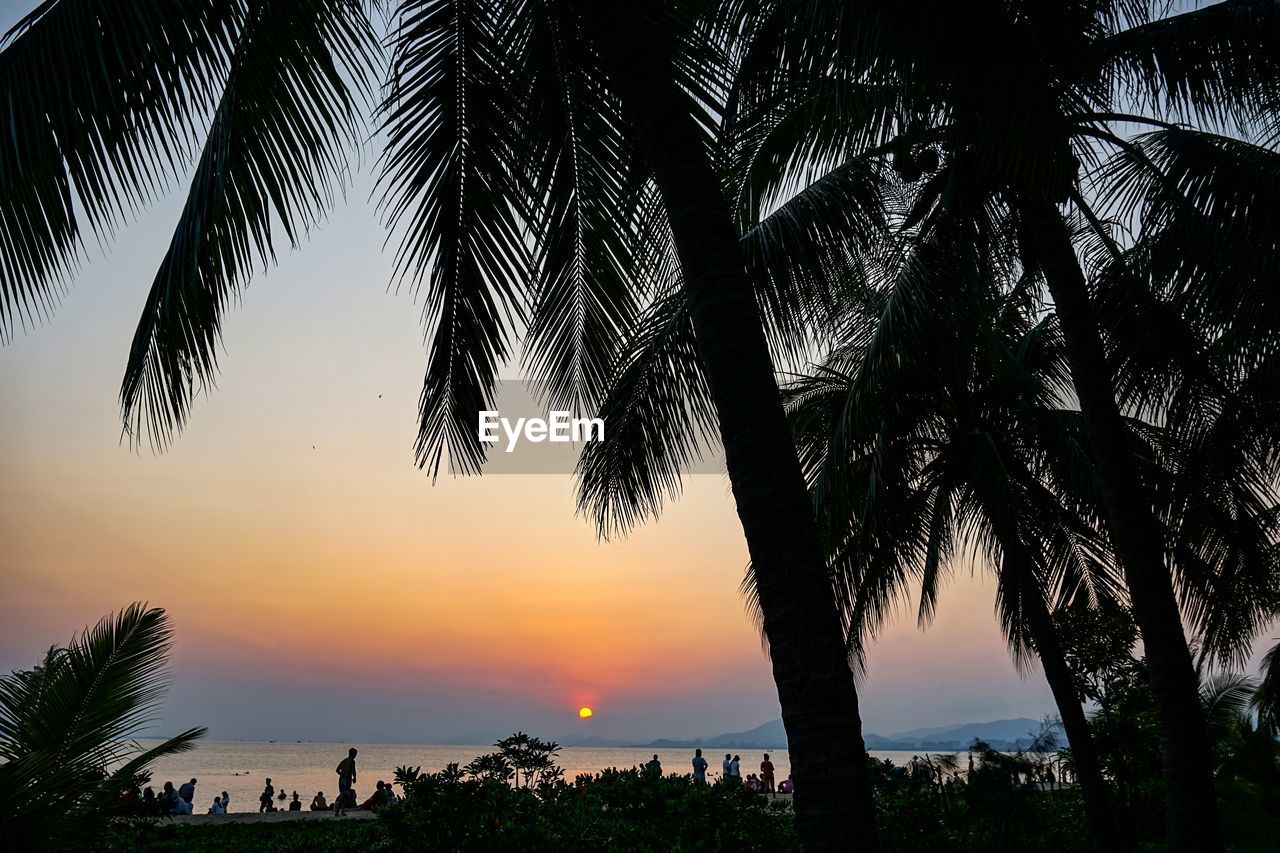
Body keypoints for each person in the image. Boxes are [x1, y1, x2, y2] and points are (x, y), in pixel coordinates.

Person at [336, 747, 358, 816]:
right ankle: (338, 811)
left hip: (345, 780)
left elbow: (337, 770)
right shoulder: (351, 761)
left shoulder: (344, 761)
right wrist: (353, 777)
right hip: (344, 780)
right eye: (355, 754)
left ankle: (342, 811)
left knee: (346, 796)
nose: (356, 756)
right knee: (344, 796)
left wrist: (343, 775)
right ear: (353, 754)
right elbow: (353, 770)